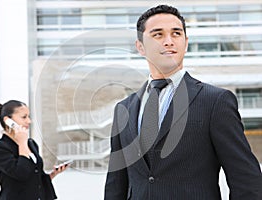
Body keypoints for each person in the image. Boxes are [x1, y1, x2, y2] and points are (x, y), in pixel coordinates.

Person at [104, 4, 262, 200]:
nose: (169, 41)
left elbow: (246, 179)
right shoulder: (123, 109)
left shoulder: (215, 102)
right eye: (158, 34)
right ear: (140, 47)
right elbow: (115, 184)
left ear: (185, 43)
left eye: (176, 34)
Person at [0, 100, 69, 200]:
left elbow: (35, 178)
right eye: (24, 117)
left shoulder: (31, 144)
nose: (29, 121)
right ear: (8, 120)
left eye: (28, 116)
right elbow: (21, 173)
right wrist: (22, 143)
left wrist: (52, 174)